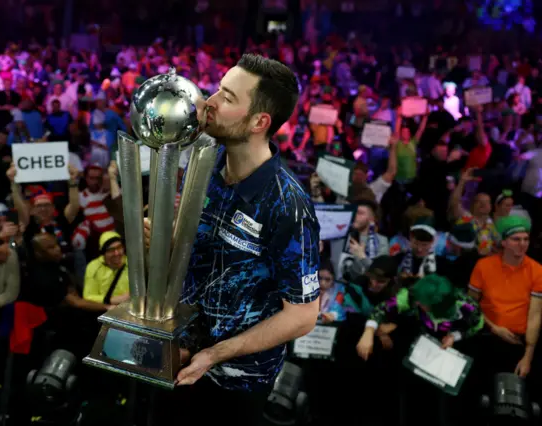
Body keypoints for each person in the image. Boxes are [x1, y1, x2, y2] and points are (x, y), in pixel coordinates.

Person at [150, 54, 320, 426]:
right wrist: (165, 237)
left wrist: (215, 354)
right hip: (177, 352)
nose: (208, 101)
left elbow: (304, 315)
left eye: (227, 98)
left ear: (259, 122)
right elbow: (198, 247)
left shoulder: (288, 205)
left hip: (235, 381)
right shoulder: (204, 158)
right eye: (217, 89)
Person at [469, 216, 542, 379]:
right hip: (485, 336)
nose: (522, 244)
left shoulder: (537, 271)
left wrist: (528, 356)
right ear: (504, 242)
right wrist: (494, 327)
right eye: (516, 239)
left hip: (517, 342)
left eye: (526, 239)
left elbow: (535, 315)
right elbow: (470, 305)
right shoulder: (483, 266)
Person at [356, 274, 484, 361]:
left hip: (449, 347)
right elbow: (382, 309)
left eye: (423, 304)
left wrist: (454, 336)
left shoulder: (467, 306)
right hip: (417, 340)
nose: (417, 303)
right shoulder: (413, 295)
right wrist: (368, 332)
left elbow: (476, 326)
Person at [83, 231, 129, 306]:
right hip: (106, 311)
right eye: (111, 250)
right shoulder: (93, 267)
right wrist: (112, 300)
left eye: (119, 247)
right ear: (104, 253)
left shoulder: (131, 263)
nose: (116, 253)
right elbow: (88, 297)